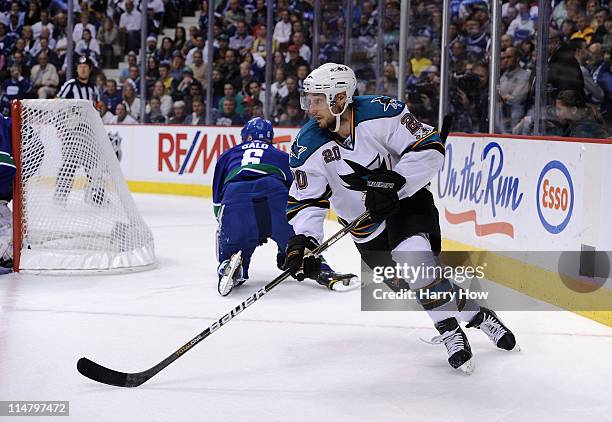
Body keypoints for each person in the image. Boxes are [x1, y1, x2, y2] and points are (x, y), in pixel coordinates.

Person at [285, 63, 518, 373]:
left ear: (340, 98)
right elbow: (307, 201)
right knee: (414, 284)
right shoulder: (307, 145)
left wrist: (397, 182)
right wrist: (305, 241)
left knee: (414, 258)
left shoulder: (382, 113)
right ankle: (478, 314)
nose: (310, 108)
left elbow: (430, 147)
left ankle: (449, 331)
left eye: (317, 100)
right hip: (364, 226)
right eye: (308, 100)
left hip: (405, 202)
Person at [212, 117, 356, 296]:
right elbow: (298, 196)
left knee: (234, 242)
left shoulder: (228, 154)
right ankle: (317, 266)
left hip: (236, 195)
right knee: (297, 241)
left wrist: (235, 226)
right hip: (274, 193)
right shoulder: (280, 155)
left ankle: (229, 263)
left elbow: (218, 202)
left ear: (246, 137)